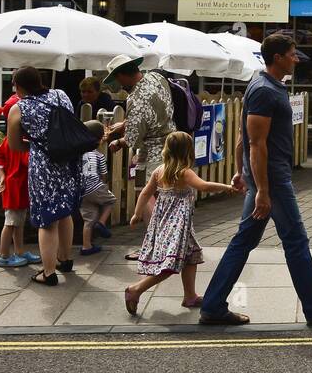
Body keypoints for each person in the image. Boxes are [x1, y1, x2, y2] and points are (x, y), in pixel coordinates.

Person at [201, 33, 312, 326]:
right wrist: (263, 191)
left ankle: (212, 305)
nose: (297, 59)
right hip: (272, 180)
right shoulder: (264, 90)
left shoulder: (268, 86)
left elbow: (241, 138)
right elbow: (256, 143)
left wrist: (239, 170)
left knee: (243, 242)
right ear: (278, 57)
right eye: (293, 54)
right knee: (296, 240)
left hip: (264, 179)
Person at [124, 131, 235, 316]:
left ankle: (190, 296)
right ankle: (136, 289)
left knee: (191, 255)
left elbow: (145, 192)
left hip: (170, 225)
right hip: (176, 227)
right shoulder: (184, 172)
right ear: (188, 152)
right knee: (171, 264)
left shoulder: (159, 171)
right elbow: (204, 186)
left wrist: (137, 214)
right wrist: (228, 187)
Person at [6, 66, 80, 284]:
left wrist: (36, 146)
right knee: (64, 211)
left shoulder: (19, 109)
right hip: (68, 160)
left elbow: (14, 145)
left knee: (47, 219)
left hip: (43, 166)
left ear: (19, 86)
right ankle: (64, 259)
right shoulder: (61, 95)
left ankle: (48, 272)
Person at [103, 55, 175, 259]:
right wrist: (126, 123)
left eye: (117, 79)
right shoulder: (156, 78)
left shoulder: (135, 97)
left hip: (151, 152)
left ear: (123, 75)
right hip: (171, 145)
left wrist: (118, 141)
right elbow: (155, 111)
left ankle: (154, 247)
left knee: (147, 195)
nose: (118, 84)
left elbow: (134, 138)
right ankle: (169, 243)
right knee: (166, 197)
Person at [0, 134, 41, 268]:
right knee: (11, 223)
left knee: (18, 222)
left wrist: (2, 175)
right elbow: (28, 161)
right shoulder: (25, 141)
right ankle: (4, 256)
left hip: (14, 185)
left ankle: (19, 252)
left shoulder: (8, 138)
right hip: (17, 187)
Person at [78, 120, 115, 256]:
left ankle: (86, 246)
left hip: (81, 191)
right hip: (95, 186)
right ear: (99, 140)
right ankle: (101, 223)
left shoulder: (78, 154)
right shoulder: (99, 156)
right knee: (110, 200)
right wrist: (103, 186)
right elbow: (104, 175)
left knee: (88, 219)